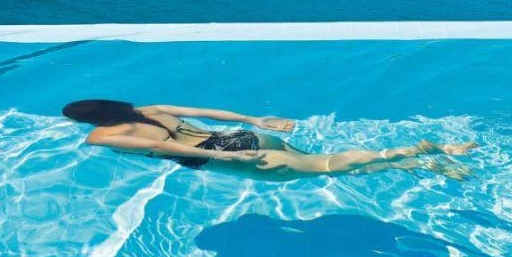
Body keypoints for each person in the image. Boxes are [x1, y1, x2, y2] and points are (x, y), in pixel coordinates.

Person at [62, 99, 476, 180]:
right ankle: (414, 163)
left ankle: (422, 150)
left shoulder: (100, 136)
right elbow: (207, 113)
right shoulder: (148, 109)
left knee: (329, 166)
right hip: (241, 135)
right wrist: (253, 118)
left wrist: (232, 162)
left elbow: (166, 148)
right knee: (327, 164)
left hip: (231, 156)